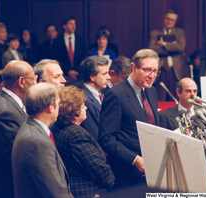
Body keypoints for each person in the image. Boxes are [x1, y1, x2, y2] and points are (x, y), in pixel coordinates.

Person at [98, 49, 160, 189]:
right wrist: (134, 159)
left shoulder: (151, 90)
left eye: (155, 71)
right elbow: (106, 139)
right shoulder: (116, 94)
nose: (152, 76)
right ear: (134, 68)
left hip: (152, 169)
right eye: (147, 70)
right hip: (127, 173)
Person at [50, 85, 115, 198]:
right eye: (83, 105)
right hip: (88, 192)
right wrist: (111, 180)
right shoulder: (76, 134)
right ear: (74, 112)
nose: (86, 108)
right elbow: (100, 171)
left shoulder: (55, 126)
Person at [11, 82, 73, 198]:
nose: (59, 107)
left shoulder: (30, 127)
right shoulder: (37, 142)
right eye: (58, 103)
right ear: (50, 107)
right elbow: (55, 192)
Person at [0, 60, 36, 198]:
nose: (35, 83)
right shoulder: (6, 112)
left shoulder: (7, 101)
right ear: (21, 81)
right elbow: (17, 157)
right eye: (33, 78)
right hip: (10, 190)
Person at [149, 9, 189, 101]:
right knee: (159, 98)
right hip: (160, 70)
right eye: (168, 19)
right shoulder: (155, 33)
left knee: (175, 98)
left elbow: (181, 47)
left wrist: (164, 44)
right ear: (163, 19)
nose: (169, 21)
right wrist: (173, 47)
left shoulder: (180, 32)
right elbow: (152, 49)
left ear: (175, 21)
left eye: (172, 20)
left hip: (176, 71)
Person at [80, 56, 111, 141]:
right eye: (105, 74)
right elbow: (95, 134)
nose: (109, 77)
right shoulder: (84, 100)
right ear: (92, 77)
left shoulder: (104, 95)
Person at [53, 16, 86, 81]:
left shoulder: (81, 39)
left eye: (74, 24)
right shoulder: (57, 41)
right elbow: (56, 58)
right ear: (64, 26)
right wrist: (68, 71)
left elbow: (83, 56)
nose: (73, 26)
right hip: (63, 74)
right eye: (71, 24)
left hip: (78, 74)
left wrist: (76, 71)